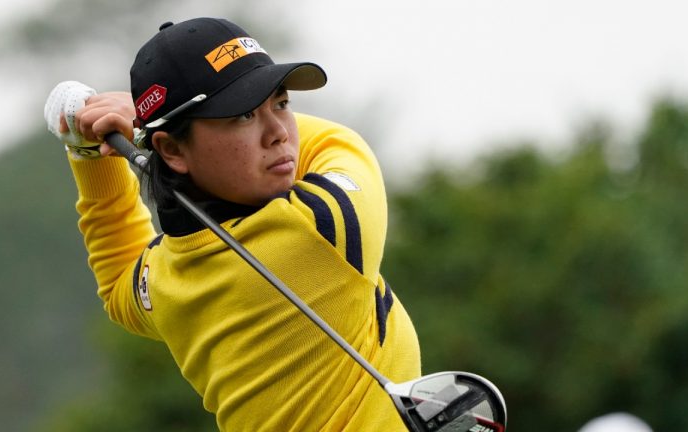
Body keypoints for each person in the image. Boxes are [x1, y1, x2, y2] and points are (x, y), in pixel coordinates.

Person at [47, 17, 421, 431]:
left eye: (281, 103)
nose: (279, 133)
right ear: (171, 150)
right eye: (243, 115)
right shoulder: (322, 224)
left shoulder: (167, 280)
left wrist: (88, 154)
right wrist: (139, 127)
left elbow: (120, 281)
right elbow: (338, 143)